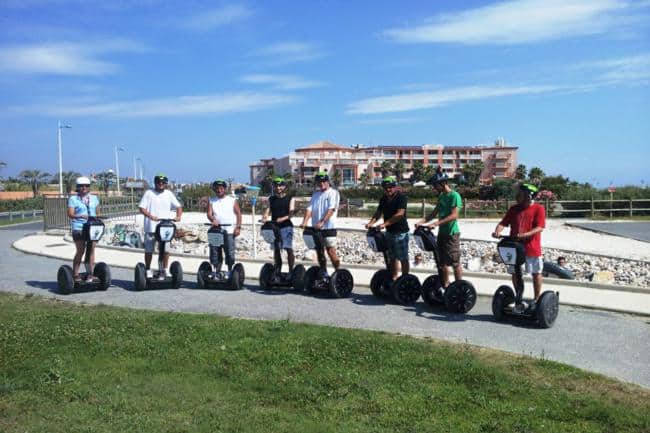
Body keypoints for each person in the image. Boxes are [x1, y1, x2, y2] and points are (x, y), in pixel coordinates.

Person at [492, 183, 546, 309]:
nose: (517, 196)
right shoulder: (514, 209)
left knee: (536, 272)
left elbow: (540, 227)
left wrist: (525, 235)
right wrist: (497, 231)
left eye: (520, 194)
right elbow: (503, 223)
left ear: (529, 195)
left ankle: (537, 299)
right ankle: (518, 297)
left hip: (531, 247)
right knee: (515, 272)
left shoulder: (538, 209)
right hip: (514, 246)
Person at [415, 168, 463, 289]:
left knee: (454, 262)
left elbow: (454, 215)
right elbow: (433, 213)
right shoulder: (442, 196)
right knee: (442, 262)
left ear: (442, 183)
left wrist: (436, 224)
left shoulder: (454, 195)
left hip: (452, 233)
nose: (434, 188)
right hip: (442, 233)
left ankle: (459, 286)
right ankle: (446, 285)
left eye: (435, 185)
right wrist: (422, 222)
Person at [138, 173, 183, 280]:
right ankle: (148, 269)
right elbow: (141, 208)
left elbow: (179, 206)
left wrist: (178, 216)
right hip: (151, 227)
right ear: (155, 183)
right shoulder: (149, 193)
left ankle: (165, 269)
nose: (161, 184)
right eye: (159, 182)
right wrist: (150, 216)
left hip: (165, 227)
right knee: (149, 250)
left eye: (163, 182)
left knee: (166, 250)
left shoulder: (169, 194)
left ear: (166, 184)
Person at [365, 176, 410, 281]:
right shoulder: (384, 199)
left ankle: (405, 279)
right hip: (389, 232)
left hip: (400, 232)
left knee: (403, 257)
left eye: (390, 187)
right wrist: (370, 223)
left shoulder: (401, 197)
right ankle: (394, 278)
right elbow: (378, 212)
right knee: (392, 258)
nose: (388, 189)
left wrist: (385, 224)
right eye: (385, 188)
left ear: (395, 187)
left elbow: (400, 214)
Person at [300, 171, 340, 274]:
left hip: (329, 228)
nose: (322, 183)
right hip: (316, 228)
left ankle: (338, 272)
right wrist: (304, 222)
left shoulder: (333, 193)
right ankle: (324, 272)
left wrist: (322, 222)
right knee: (319, 251)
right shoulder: (315, 195)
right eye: (319, 182)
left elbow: (331, 209)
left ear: (328, 182)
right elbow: (309, 210)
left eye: (324, 181)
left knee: (331, 251)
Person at [67, 176, 100, 283]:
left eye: (86, 186)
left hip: (92, 227)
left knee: (91, 251)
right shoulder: (73, 199)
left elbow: (97, 213)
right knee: (80, 251)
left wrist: (97, 219)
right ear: (78, 187)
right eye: (81, 186)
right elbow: (70, 214)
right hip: (79, 228)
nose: (84, 188)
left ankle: (90, 274)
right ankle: (75, 274)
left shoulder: (94, 198)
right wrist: (80, 216)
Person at [207, 179, 242, 277]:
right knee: (215, 251)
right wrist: (213, 219)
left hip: (229, 230)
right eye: (217, 188)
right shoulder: (212, 200)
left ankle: (230, 271)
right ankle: (215, 271)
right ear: (214, 189)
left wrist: (238, 227)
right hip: (216, 230)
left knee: (229, 252)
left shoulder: (232, 200)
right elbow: (209, 214)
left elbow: (238, 213)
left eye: (221, 188)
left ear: (225, 189)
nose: (219, 190)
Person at [262, 177, 296, 273]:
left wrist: (282, 218)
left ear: (284, 186)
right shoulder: (271, 199)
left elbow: (291, 214)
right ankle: (277, 270)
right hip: (274, 227)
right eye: (276, 186)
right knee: (276, 250)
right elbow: (268, 210)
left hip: (286, 226)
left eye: (280, 186)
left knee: (288, 248)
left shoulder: (290, 198)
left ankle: (291, 270)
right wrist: (264, 217)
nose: (278, 188)